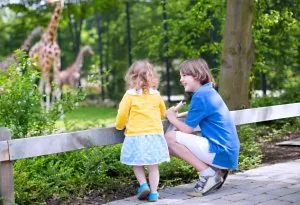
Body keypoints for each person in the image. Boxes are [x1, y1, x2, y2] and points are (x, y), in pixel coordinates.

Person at [165, 58, 240, 197]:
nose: (181, 80)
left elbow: (187, 129)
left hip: (220, 151)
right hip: (227, 152)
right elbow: (200, 112)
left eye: (184, 75)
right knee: (168, 146)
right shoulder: (208, 92)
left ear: (197, 75)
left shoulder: (200, 96)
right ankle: (217, 170)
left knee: (169, 137)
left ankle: (209, 174)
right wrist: (179, 115)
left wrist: (171, 117)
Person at [115, 60, 170, 202]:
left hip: (135, 135)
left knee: (137, 163)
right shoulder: (156, 95)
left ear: (132, 78)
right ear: (152, 77)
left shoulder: (129, 95)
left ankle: (143, 184)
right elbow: (163, 112)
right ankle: (154, 193)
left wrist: (120, 126)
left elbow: (122, 115)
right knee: (153, 166)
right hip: (154, 135)